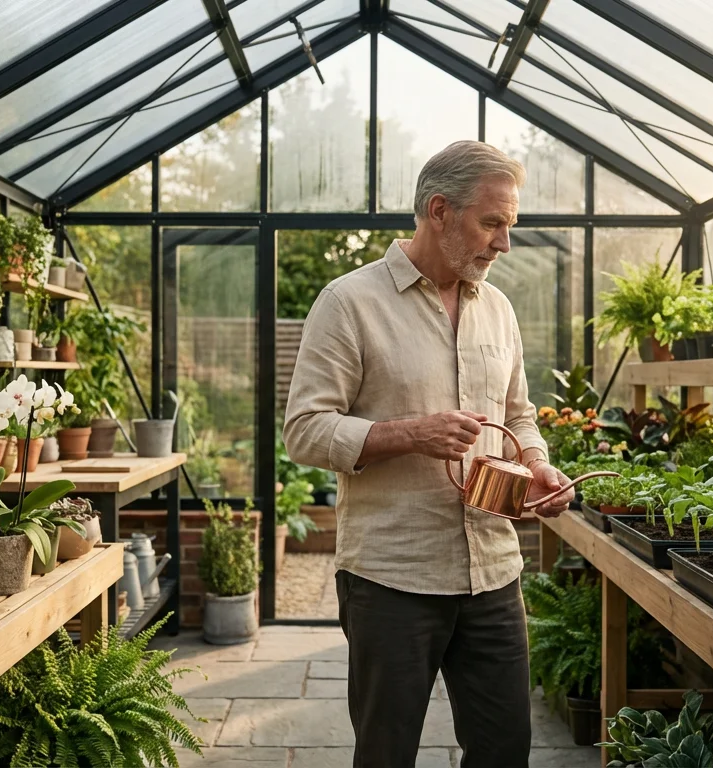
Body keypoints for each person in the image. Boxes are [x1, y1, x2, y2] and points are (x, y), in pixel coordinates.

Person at [283, 140, 573, 767]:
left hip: (494, 571)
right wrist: (408, 434)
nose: (504, 242)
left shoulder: (498, 309)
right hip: (392, 578)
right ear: (438, 210)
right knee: (386, 754)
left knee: (504, 751)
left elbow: (517, 415)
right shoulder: (348, 303)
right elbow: (304, 429)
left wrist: (537, 461)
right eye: (491, 223)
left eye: (509, 225)